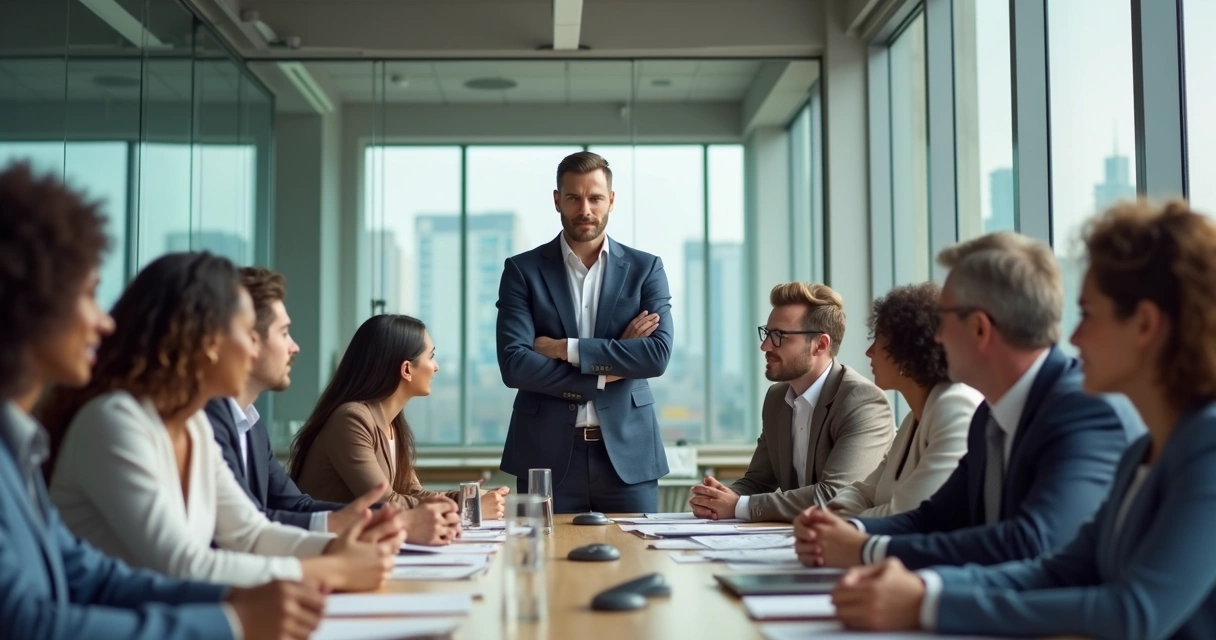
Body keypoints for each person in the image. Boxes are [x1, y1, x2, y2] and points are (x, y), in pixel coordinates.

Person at [830, 200, 1216, 640]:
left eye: (1087, 315)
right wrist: (925, 588)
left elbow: (1134, 610)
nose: (1072, 336)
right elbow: (1062, 568)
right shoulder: (1141, 452)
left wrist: (927, 601)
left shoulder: (1206, 446)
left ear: (1145, 324)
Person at [0, 163, 323, 640]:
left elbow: (90, 576)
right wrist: (235, 620)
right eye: (89, 295)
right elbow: (28, 624)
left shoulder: (19, 449)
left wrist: (244, 602)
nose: (103, 322)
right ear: (29, 303)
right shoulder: (106, 422)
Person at [40, 252, 400, 590]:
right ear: (209, 342)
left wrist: (340, 550)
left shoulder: (193, 425)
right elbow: (182, 565)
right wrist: (332, 567)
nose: (253, 347)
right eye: (247, 333)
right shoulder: (114, 422)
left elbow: (250, 533)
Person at [794, 230, 1143, 570]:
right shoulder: (989, 416)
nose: (936, 336)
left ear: (979, 328)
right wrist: (848, 531)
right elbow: (937, 516)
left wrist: (870, 551)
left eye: (943, 318)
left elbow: (1032, 543)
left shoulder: (1083, 410)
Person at [205, 267, 461, 545]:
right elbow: (246, 529)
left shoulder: (251, 424)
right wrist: (394, 521)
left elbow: (295, 506)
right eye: (284, 332)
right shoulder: (206, 425)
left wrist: (451, 506)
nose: (295, 347)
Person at [496, 150, 673, 513]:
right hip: (544, 456)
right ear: (557, 200)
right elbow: (515, 365)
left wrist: (567, 349)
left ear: (611, 200)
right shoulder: (522, 271)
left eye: (595, 198)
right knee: (542, 565)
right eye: (574, 198)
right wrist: (609, 368)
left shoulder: (645, 269)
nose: (585, 209)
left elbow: (656, 356)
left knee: (638, 562)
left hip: (628, 455)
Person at [689, 282, 894, 522]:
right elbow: (758, 481)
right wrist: (717, 498)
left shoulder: (862, 401)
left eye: (779, 336)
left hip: (849, 545)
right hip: (795, 537)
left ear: (821, 345)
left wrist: (738, 506)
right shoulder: (776, 398)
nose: (765, 346)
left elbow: (836, 495)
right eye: (767, 333)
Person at [291, 314, 510, 517]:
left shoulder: (392, 423)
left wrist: (468, 497)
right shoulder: (351, 419)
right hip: (332, 547)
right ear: (406, 369)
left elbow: (412, 492)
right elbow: (384, 502)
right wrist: (468, 508)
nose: (436, 366)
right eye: (431, 357)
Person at [827, 282, 982, 517]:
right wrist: (837, 516)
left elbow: (912, 515)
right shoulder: (913, 418)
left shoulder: (955, 407)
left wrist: (842, 522)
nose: (869, 352)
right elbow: (862, 492)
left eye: (877, 340)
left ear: (907, 351)